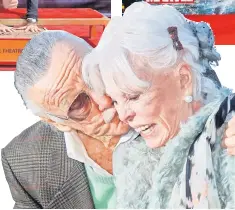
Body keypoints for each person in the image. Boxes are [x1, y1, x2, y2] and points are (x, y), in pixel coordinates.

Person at [82, 2, 235, 208]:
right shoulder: (132, 162)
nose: (123, 114)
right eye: (116, 100)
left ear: (184, 79)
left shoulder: (228, 138)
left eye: (133, 96)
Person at [1, 30, 136, 208]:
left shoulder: (168, 103)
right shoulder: (26, 162)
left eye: (95, 75)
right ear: (55, 122)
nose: (104, 99)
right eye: (78, 104)